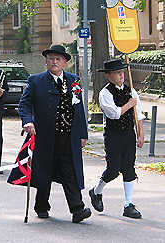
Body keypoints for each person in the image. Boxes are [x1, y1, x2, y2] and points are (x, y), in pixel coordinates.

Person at [19, 44, 91, 223]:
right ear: (46, 61)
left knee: (70, 172)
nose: (54, 62)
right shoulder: (35, 80)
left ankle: (77, 209)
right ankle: (41, 206)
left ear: (65, 63)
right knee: (45, 170)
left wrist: (83, 134)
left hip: (68, 137)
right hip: (44, 137)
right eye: (51, 58)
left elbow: (79, 109)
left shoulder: (73, 81)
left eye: (58, 59)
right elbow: (24, 105)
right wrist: (28, 121)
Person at [89, 59, 145, 219]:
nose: (122, 75)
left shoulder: (131, 91)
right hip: (113, 135)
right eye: (118, 73)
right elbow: (114, 113)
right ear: (108, 76)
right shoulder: (105, 93)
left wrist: (140, 134)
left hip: (128, 134)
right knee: (113, 169)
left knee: (128, 168)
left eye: (122, 72)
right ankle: (96, 191)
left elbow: (138, 114)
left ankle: (128, 204)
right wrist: (129, 104)